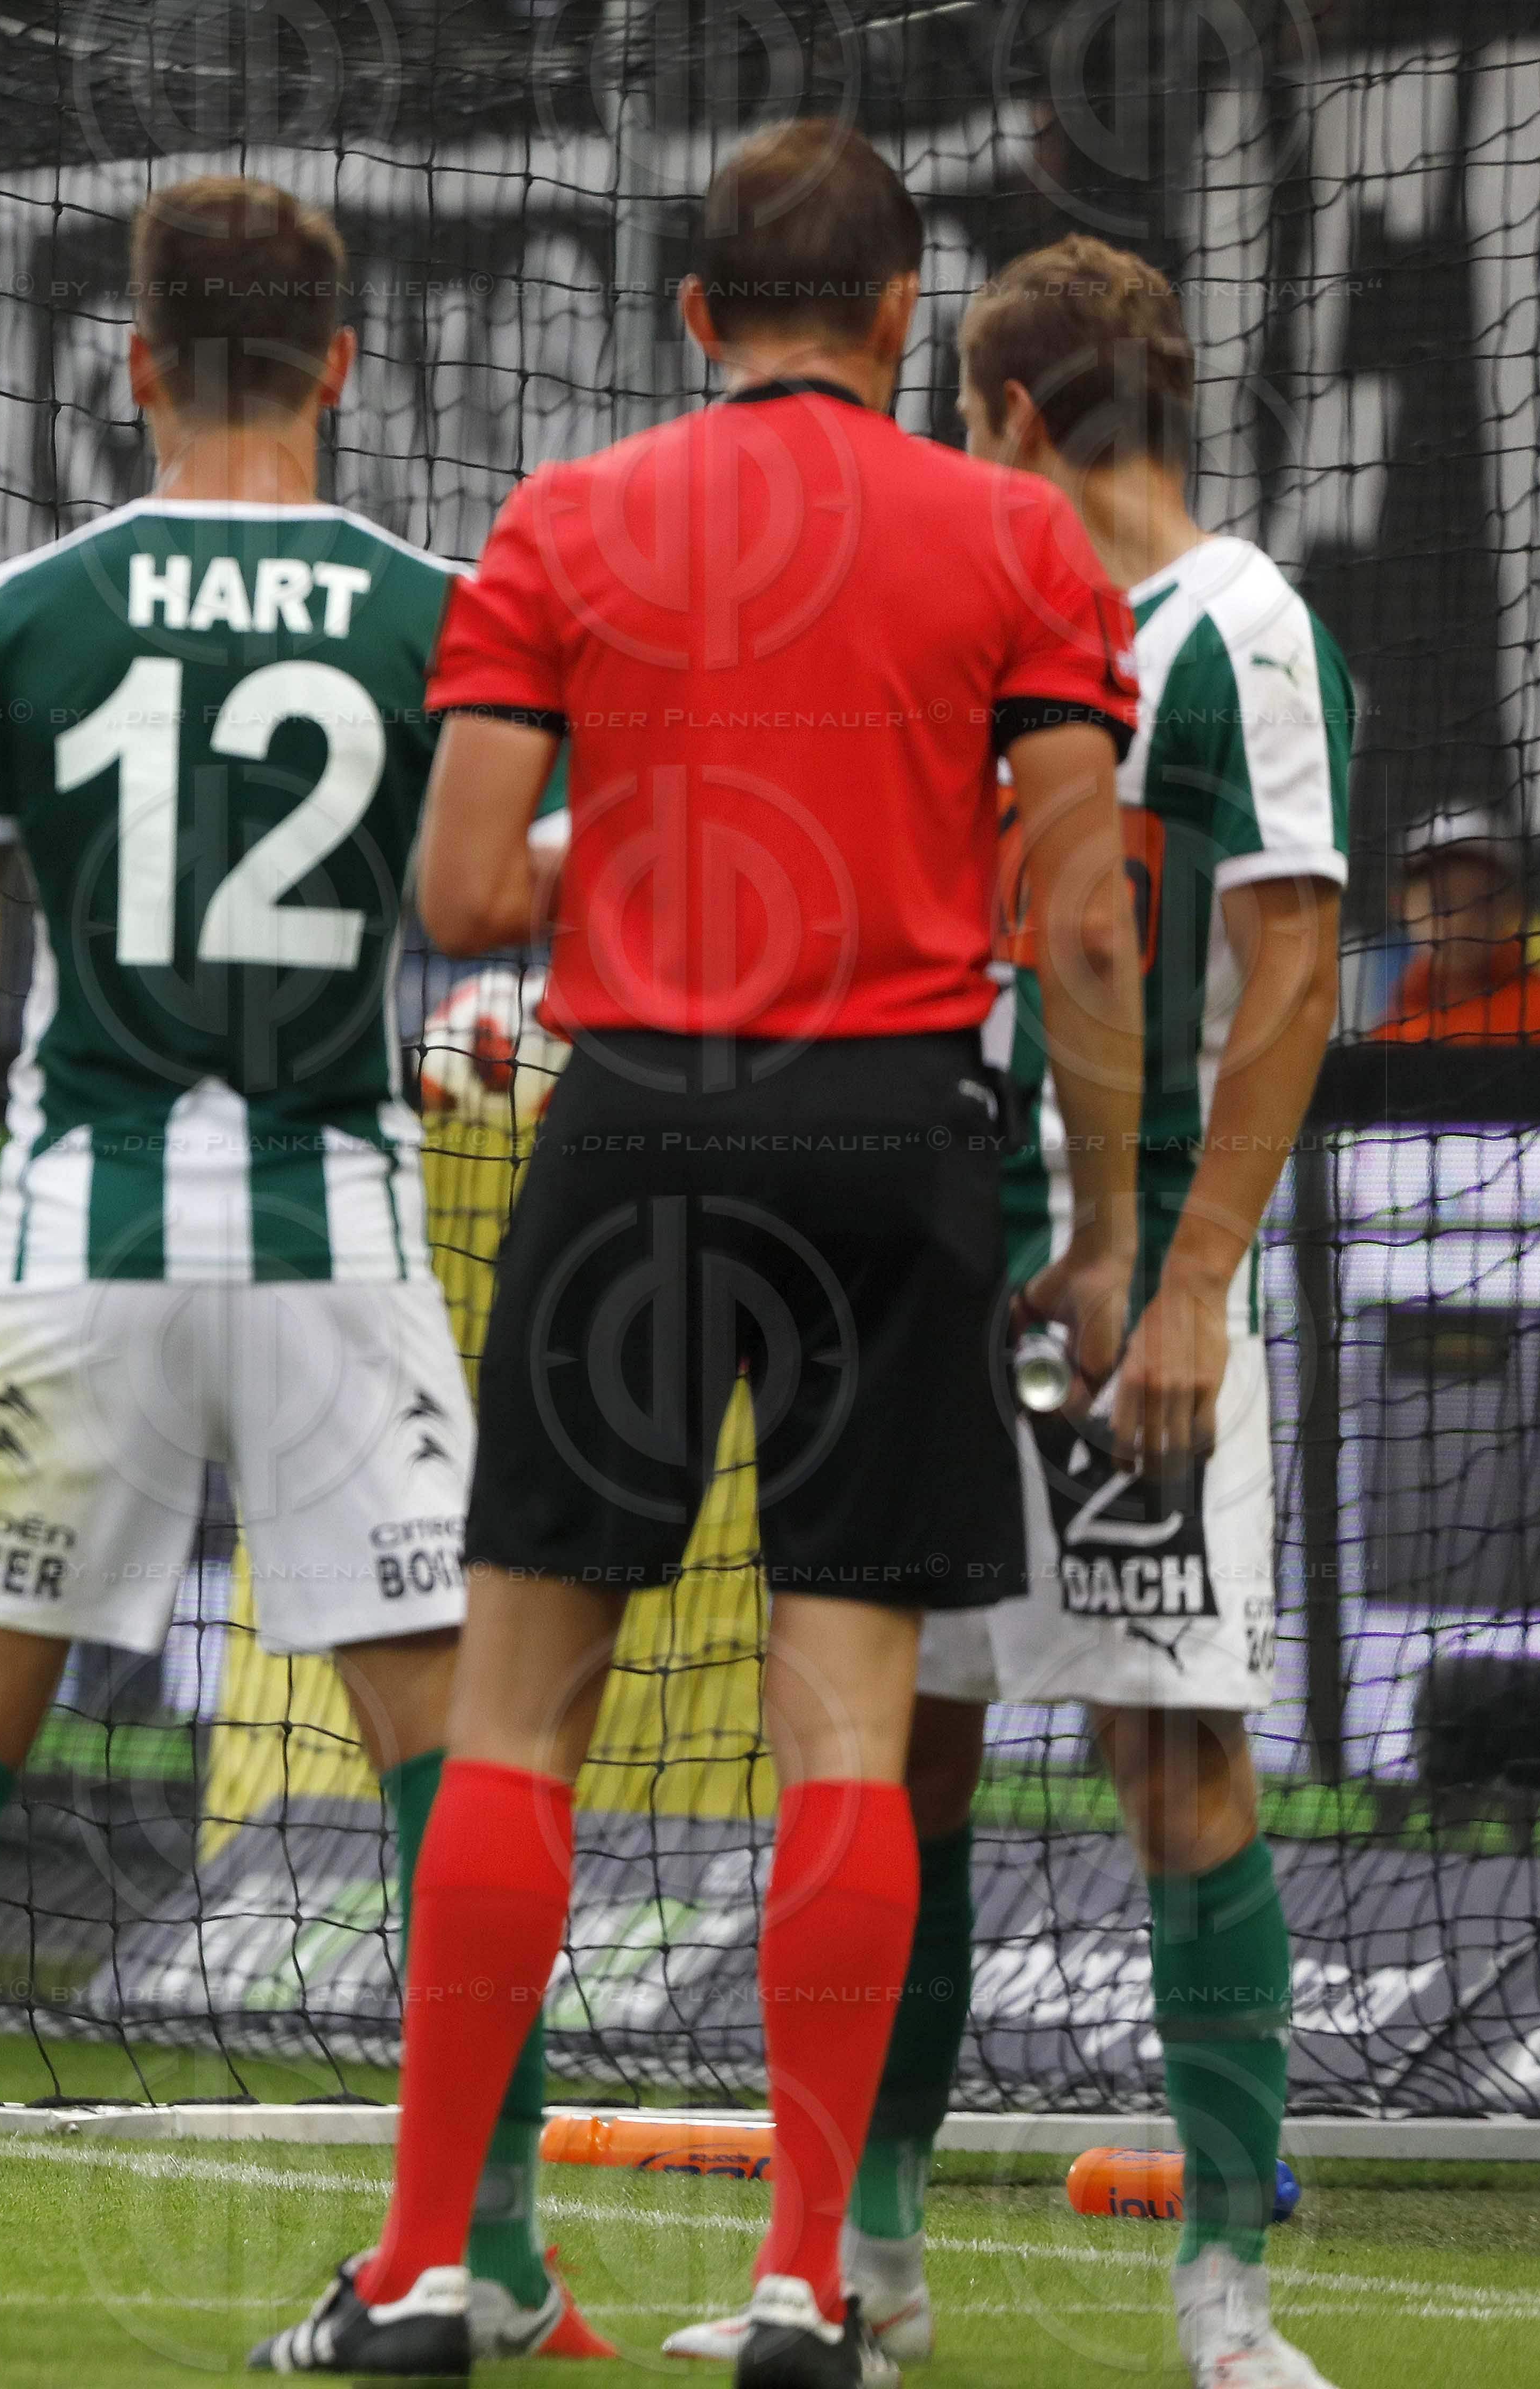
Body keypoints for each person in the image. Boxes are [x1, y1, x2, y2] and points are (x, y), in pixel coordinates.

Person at [254, 123, 1146, 2386]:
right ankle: (802, 2286)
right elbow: (1088, 919)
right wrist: (1121, 1220)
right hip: (898, 1141)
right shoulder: (1019, 536)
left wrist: (646, 832)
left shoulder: (566, 521)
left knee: (523, 1710)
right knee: (844, 1723)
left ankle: (429, 2269)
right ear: (895, 318)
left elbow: (458, 897)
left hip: (640, 1123)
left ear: (688, 315)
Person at [0, 174, 608, 2364]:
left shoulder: (33, 608)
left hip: (84, 1229)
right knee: (448, 1749)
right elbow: (523, 879)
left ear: (126, 367)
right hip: (330, 1225)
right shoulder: (442, 607)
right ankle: (491, 2246)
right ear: (342, 366)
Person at [667, 235, 1351, 2389]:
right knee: (904, 1762)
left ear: (1021, 423)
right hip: (924, 1282)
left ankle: (1226, 2299)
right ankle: (867, 2274)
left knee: (1176, 1761)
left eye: (969, 422)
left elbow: (1296, 972)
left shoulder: (1235, 627)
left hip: (1124, 1305)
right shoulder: (985, 632)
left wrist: (1194, 1279)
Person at [1370, 809, 1532, 1042]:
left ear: (1513, 905)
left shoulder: (1535, 1011)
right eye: (1441, 903)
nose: (1461, 919)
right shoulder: (1390, 1033)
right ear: (1401, 904)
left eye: (1483, 900)